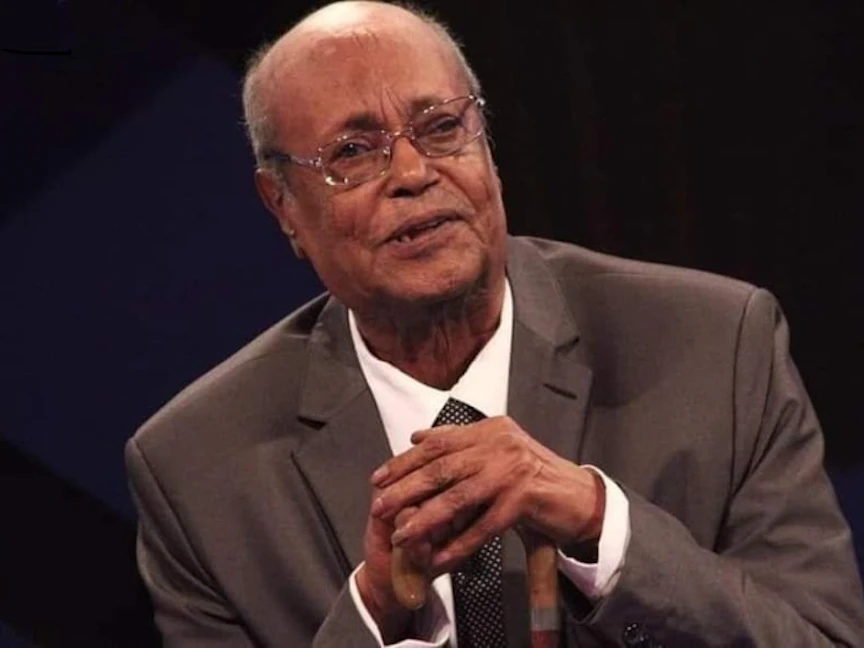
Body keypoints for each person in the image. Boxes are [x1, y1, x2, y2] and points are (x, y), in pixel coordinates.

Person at [125, 1, 864, 646]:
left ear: (487, 144)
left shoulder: (715, 346)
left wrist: (601, 526)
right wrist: (375, 611)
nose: (413, 173)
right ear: (282, 206)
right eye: (352, 152)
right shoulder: (199, 471)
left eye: (441, 126)